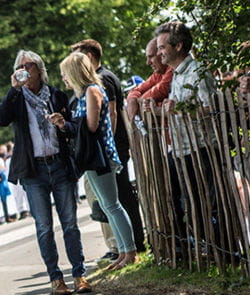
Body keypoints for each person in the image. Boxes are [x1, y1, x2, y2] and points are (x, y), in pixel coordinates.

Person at [0, 49, 89, 295]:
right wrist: (13, 88)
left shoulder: (56, 94)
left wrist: (63, 124)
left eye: (30, 65)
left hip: (59, 164)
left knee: (69, 223)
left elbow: (72, 128)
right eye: (21, 66)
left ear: (40, 69)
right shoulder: (16, 98)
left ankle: (80, 275)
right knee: (44, 226)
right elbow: (0, 119)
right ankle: (56, 279)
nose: (25, 69)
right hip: (33, 170)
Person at [56, 52, 137, 270]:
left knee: (112, 204)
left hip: (99, 155)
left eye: (65, 74)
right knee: (108, 205)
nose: (63, 78)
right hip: (93, 157)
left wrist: (71, 124)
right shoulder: (83, 94)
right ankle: (123, 251)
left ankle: (129, 251)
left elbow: (91, 126)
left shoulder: (92, 91)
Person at [71, 39, 146, 254]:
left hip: (110, 149)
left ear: (91, 57)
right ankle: (122, 246)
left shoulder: (103, 79)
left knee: (120, 199)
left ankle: (132, 245)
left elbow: (112, 113)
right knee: (111, 202)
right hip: (107, 149)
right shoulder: (95, 82)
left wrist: (106, 144)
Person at [156, 21, 218, 250]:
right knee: (191, 201)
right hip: (182, 148)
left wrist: (180, 110)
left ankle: (219, 246)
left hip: (201, 147)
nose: (159, 51)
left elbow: (213, 110)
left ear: (179, 46)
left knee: (208, 201)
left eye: (163, 47)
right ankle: (204, 243)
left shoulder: (197, 72)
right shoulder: (177, 75)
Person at [126, 38, 174, 122]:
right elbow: (135, 90)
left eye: (151, 57)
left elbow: (162, 88)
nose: (148, 63)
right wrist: (132, 98)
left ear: (161, 53)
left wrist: (139, 101)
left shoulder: (172, 69)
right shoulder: (157, 74)